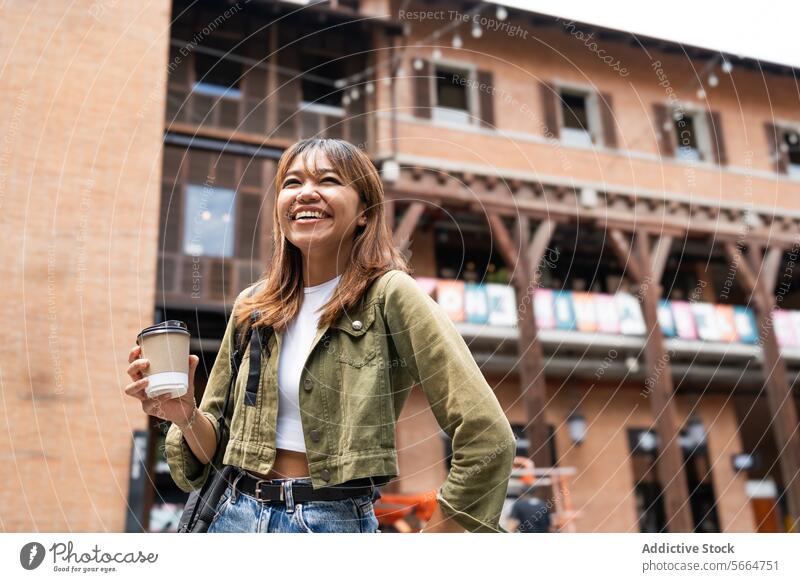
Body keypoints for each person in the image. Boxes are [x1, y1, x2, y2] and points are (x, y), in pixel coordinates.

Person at [125, 137, 515, 533]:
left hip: (329, 524)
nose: (306, 192)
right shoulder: (253, 305)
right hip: (233, 517)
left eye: (328, 180)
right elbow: (213, 452)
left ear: (364, 211)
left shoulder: (389, 295)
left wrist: (442, 536)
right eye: (292, 183)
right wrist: (186, 413)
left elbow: (488, 436)